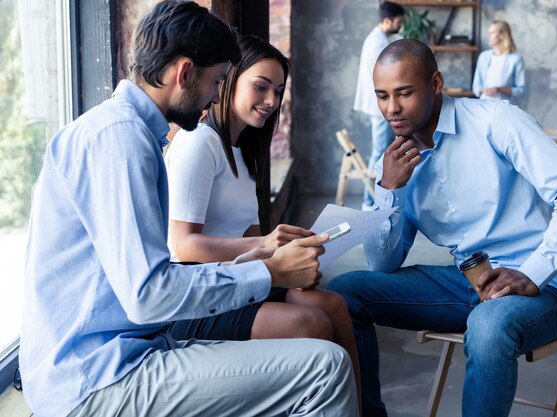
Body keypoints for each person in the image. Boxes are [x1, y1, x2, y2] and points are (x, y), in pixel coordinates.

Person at [19, 2, 358, 417]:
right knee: (325, 367)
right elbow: (149, 296)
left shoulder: (124, 132)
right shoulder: (120, 141)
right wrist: (268, 271)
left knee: (317, 342)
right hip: (94, 378)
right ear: (184, 73)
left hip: (123, 353)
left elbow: (142, 280)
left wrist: (249, 262)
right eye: (216, 81)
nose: (218, 94)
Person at [328, 39, 557, 417]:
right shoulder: (396, 163)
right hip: (468, 284)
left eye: (404, 93)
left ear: (436, 83)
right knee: (343, 293)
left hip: (543, 288)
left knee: (487, 326)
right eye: (382, 96)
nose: (392, 108)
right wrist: (390, 191)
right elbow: (382, 264)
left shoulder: (496, 120)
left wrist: (533, 272)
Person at [164, 34, 361, 404]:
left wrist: (297, 256)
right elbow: (182, 245)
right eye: (260, 86)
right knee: (311, 322)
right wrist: (265, 244)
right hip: (193, 296)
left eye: (278, 91)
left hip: (233, 281)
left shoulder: (243, 158)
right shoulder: (198, 143)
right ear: (228, 80)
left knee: (333, 305)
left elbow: (258, 246)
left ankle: (363, 411)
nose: (271, 101)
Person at [354, 1, 405, 211]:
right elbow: (387, 76)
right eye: (399, 22)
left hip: (379, 104)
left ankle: (372, 200)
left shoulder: (379, 39)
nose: (400, 26)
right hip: (379, 106)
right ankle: (369, 201)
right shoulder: (377, 42)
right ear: (387, 21)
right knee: (381, 152)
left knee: (383, 150)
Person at [472, 20, 525, 102]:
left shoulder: (516, 58)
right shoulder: (483, 56)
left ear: (502, 35)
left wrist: (498, 89)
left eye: (492, 33)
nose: (488, 36)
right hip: (484, 105)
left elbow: (520, 90)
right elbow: (476, 87)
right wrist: (485, 90)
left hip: (506, 106)